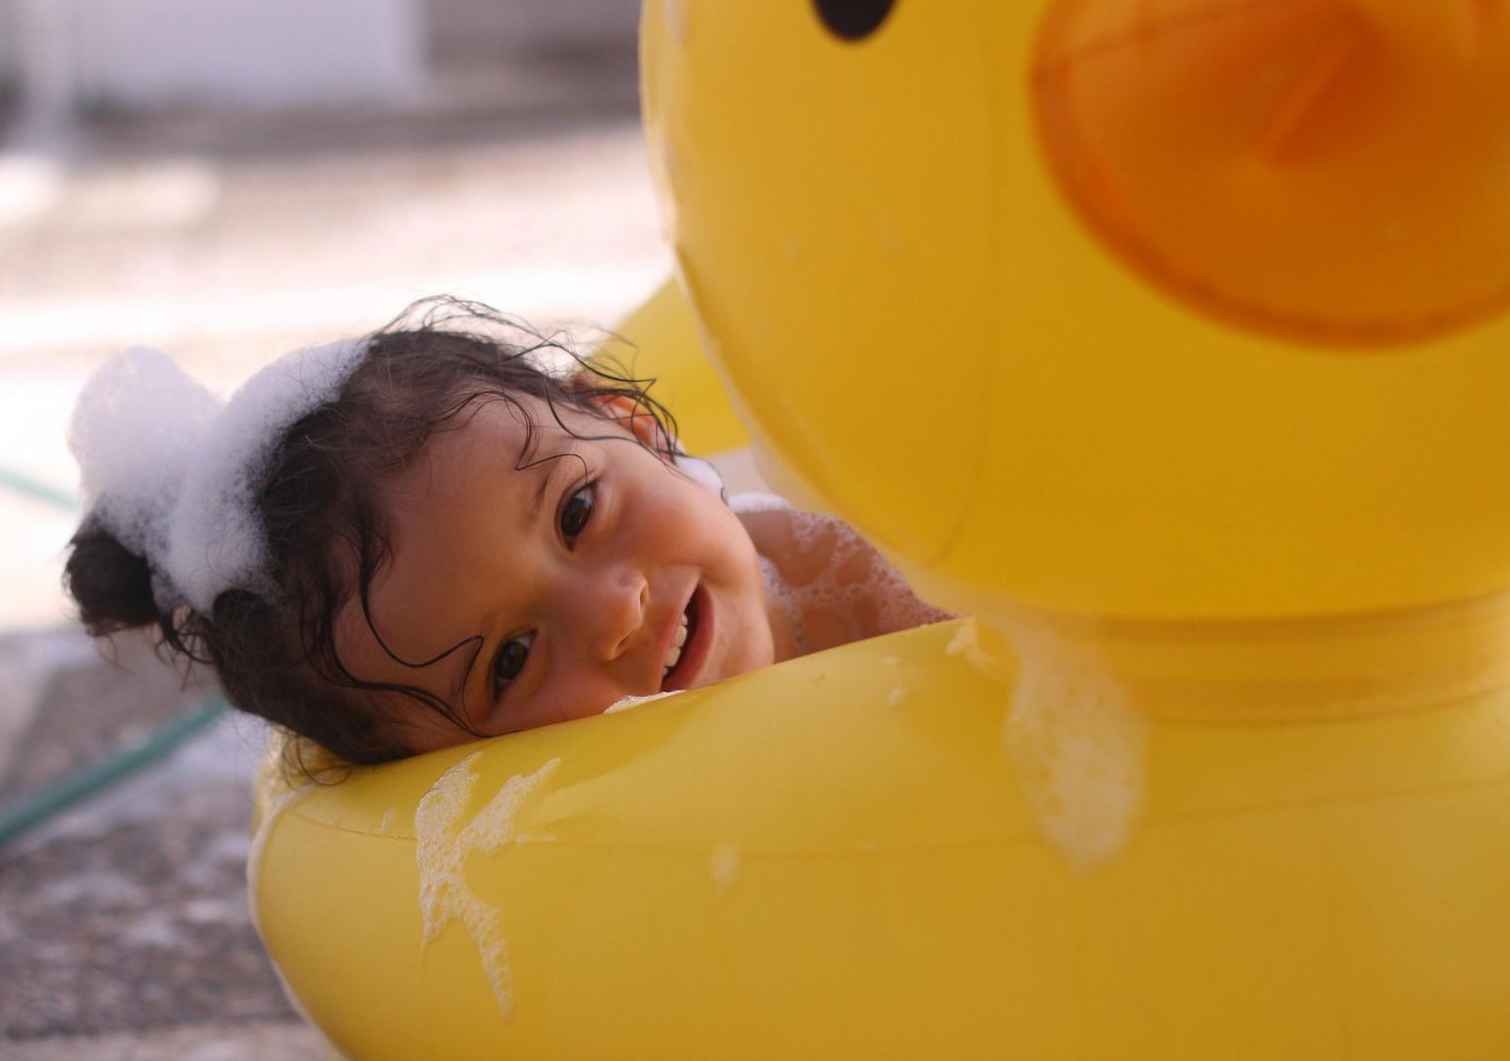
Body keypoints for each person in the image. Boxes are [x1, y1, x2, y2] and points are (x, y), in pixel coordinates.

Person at [64, 298, 947, 765]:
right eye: (511, 661)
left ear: (634, 428)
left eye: (576, 513)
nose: (614, 610)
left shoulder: (873, 572)